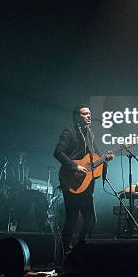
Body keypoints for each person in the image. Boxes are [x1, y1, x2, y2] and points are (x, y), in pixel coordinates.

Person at [54, 105, 97, 254]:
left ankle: (79, 251)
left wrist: (106, 158)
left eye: (89, 113)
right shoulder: (70, 131)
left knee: (90, 220)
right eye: (85, 114)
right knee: (72, 219)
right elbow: (58, 152)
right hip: (70, 180)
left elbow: (95, 157)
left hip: (86, 183)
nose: (89, 116)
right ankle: (64, 253)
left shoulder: (90, 134)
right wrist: (75, 167)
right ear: (77, 117)